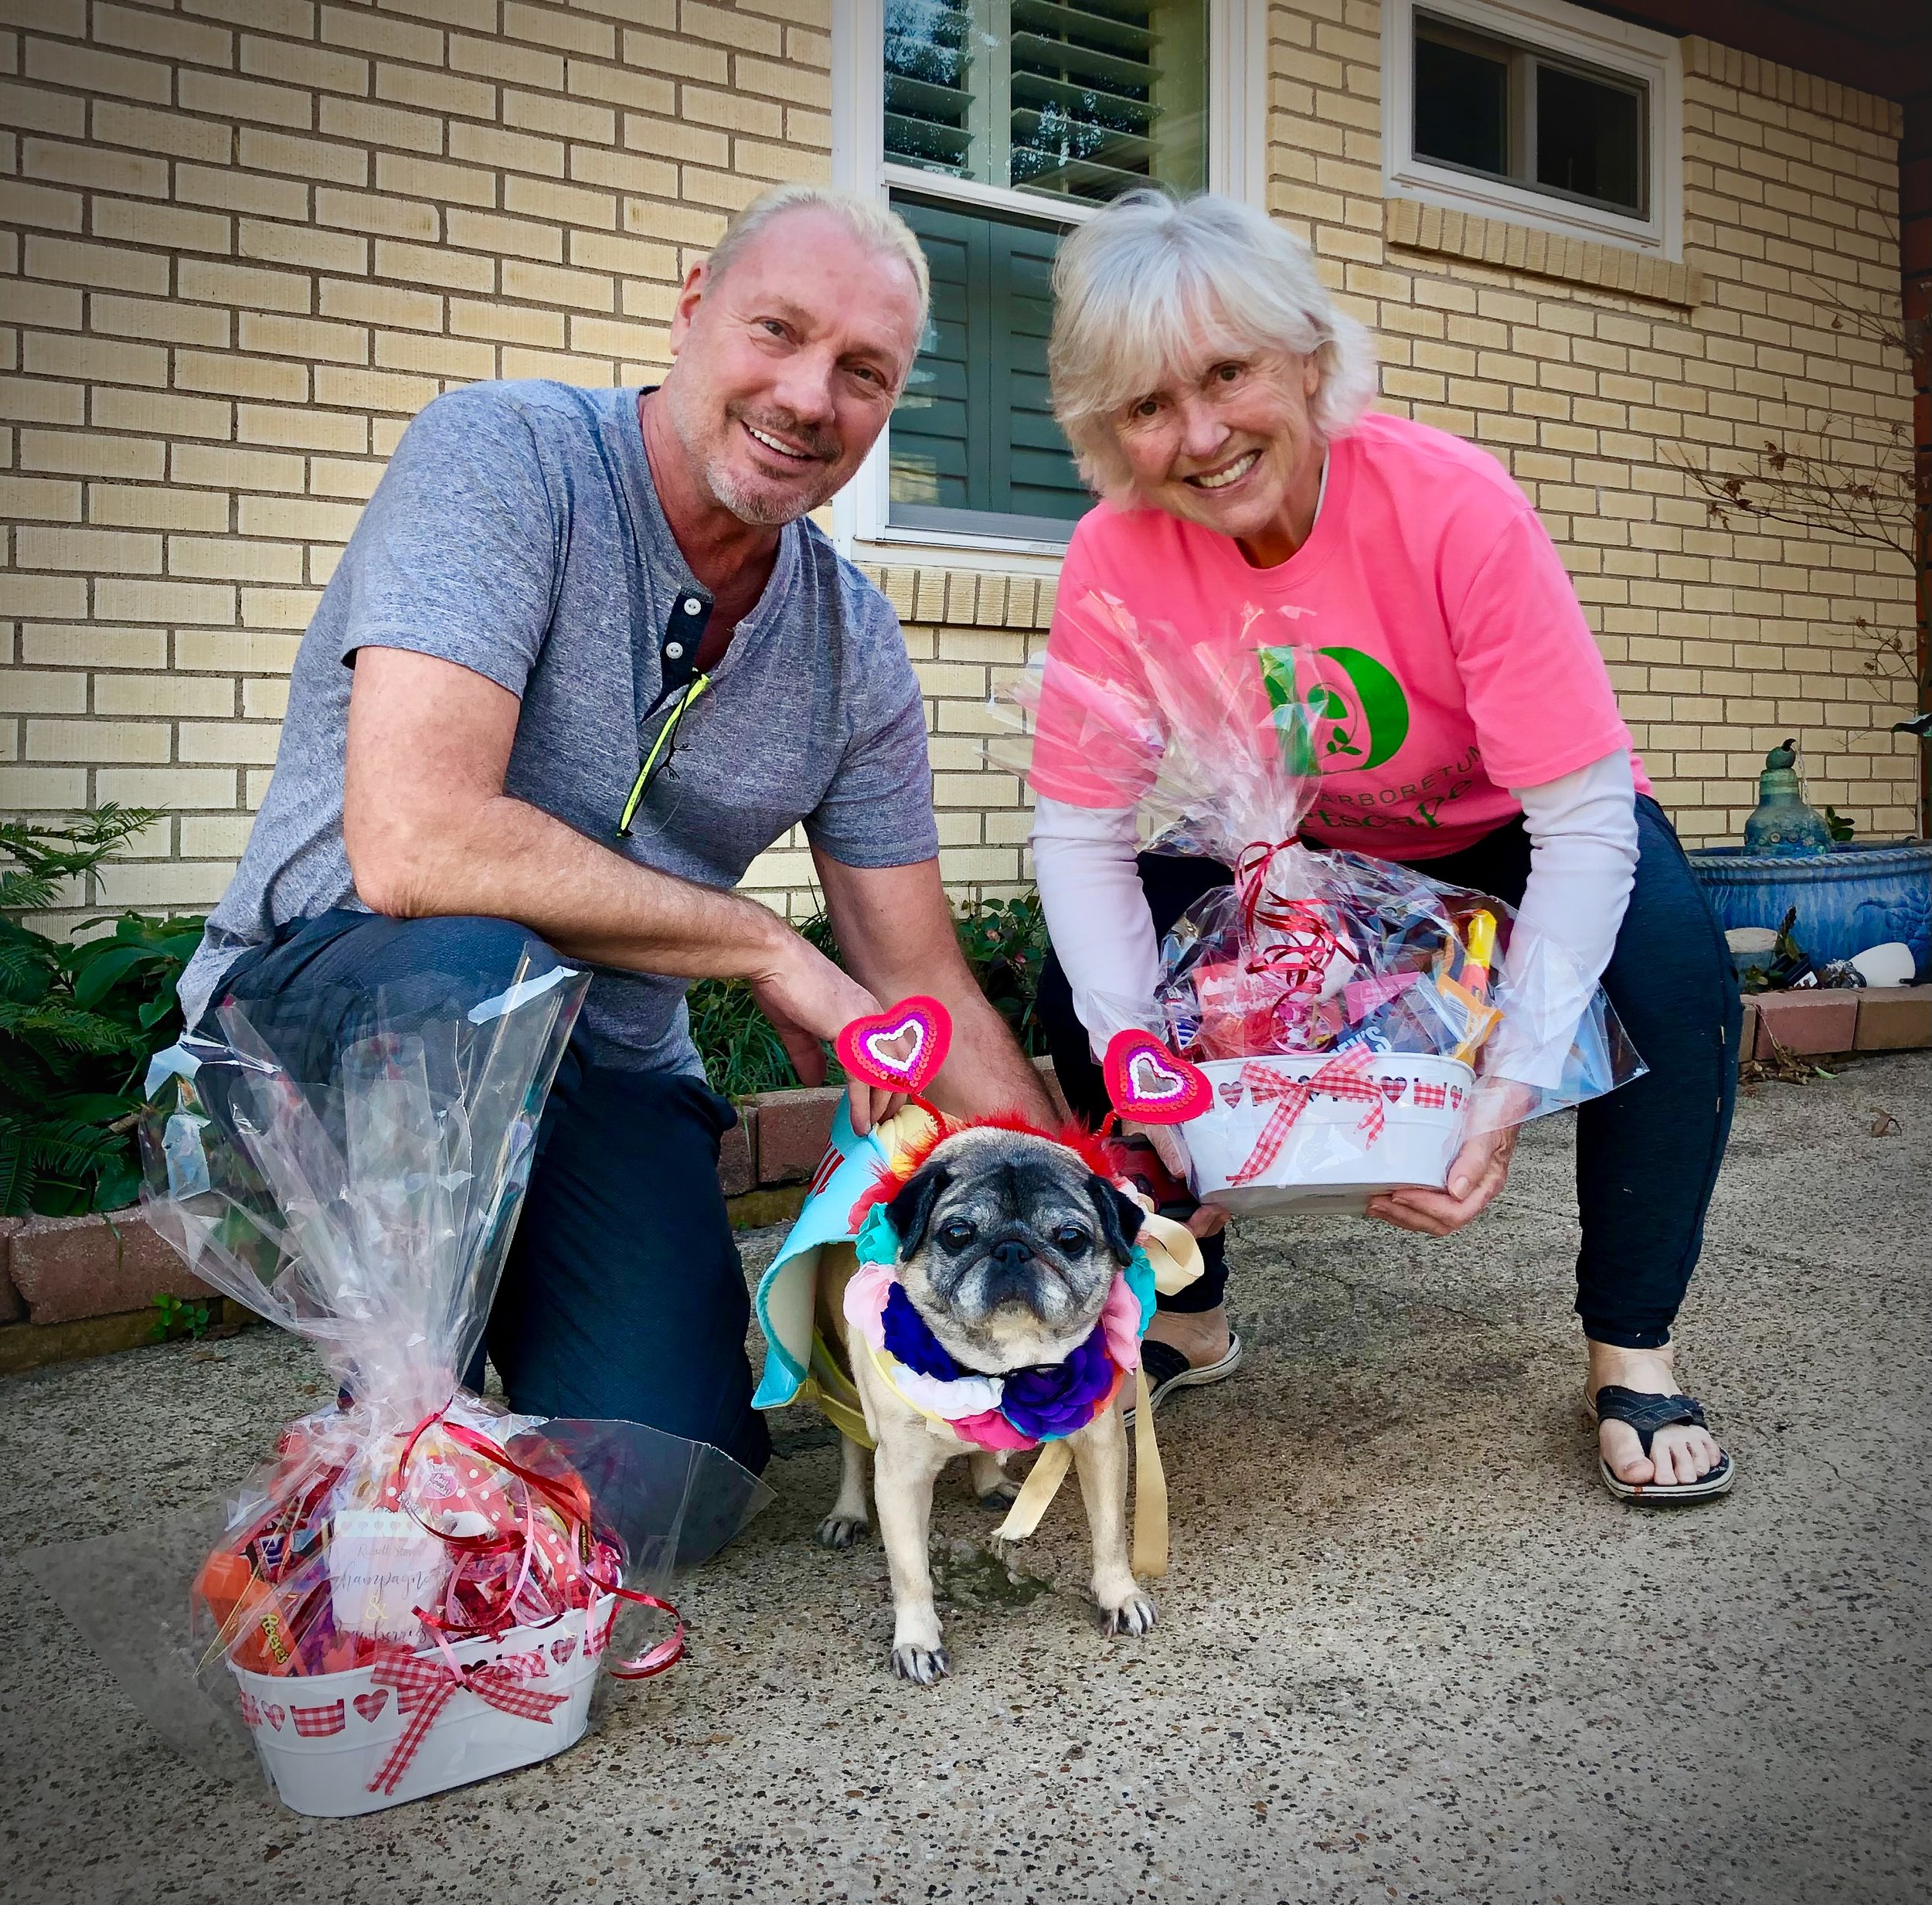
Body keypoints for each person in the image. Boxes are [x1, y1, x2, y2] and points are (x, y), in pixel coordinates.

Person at [175, 183, 1056, 1476]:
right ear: (694, 309)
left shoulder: (852, 642)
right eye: (777, 332)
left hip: (610, 1071)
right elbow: (418, 844)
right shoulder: (507, 458)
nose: (811, 398)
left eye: (864, 372)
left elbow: (919, 979)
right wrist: (760, 945)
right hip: (342, 1009)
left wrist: (1092, 1191)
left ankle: (532, 1382)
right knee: (474, 964)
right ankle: (391, 1425)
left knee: (665, 1483)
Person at [1026, 191, 1738, 1502]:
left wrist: (1507, 1085)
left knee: (1677, 989)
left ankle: (1632, 1349)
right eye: (1145, 406)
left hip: (1522, 826)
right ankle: (1189, 1305)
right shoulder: (1111, 556)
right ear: (1104, 429)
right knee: (1091, 985)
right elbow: (1079, 835)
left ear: (1306, 357)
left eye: (1228, 373)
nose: (1200, 436)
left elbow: (1583, 824)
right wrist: (1140, 1066)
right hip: (1298, 837)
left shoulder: (1451, 505)